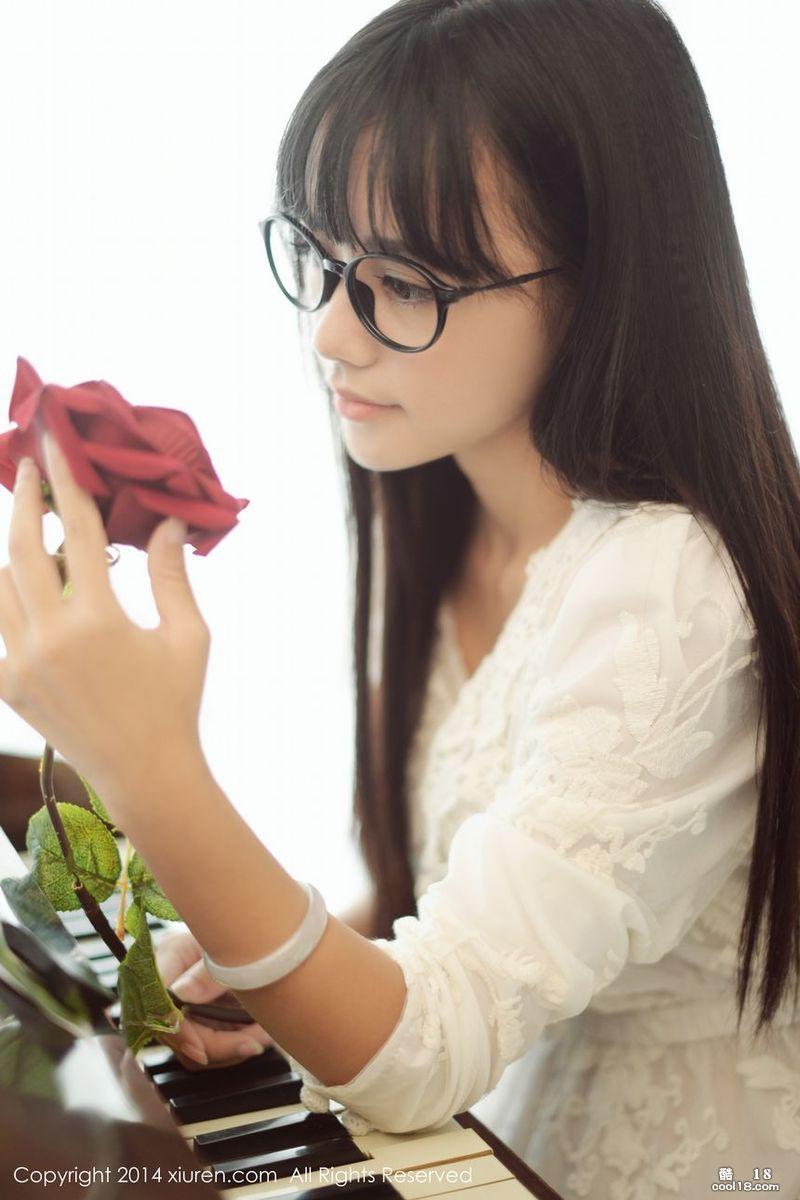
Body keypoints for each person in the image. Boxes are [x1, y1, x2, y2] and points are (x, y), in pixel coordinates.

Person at [1, 2, 798, 1197]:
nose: (331, 331)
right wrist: (275, 972)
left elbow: (427, 1047)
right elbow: (453, 912)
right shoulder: (454, 510)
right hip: (504, 1134)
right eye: (323, 260)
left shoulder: (667, 591)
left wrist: (147, 766)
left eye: (402, 282)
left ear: (603, 282)